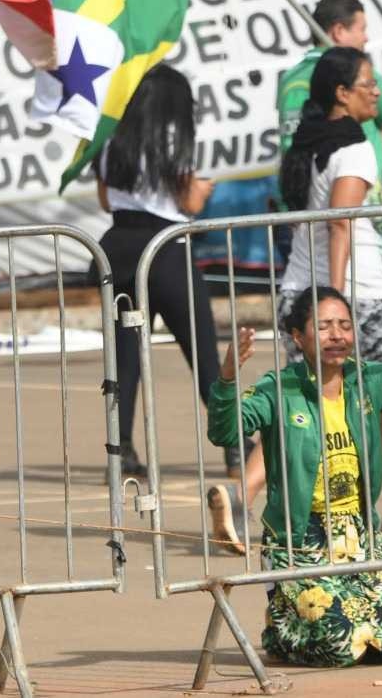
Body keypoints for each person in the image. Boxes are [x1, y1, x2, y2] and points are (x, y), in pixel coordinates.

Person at [208, 48, 382, 556]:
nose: (376, 92)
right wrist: (335, 301)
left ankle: (242, 493)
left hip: (299, 289)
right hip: (352, 294)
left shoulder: (308, 145)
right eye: (367, 83)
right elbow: (339, 222)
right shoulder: (355, 149)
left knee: (302, 403)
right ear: (342, 93)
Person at [208, 286, 382, 667]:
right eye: (323, 327)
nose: (336, 335)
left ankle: (287, 622)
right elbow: (225, 432)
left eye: (344, 325)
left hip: (358, 533)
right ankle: (285, 627)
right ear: (298, 336)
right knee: (338, 646)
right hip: (299, 537)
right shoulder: (278, 389)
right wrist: (225, 381)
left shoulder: (372, 380)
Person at [89, 63, 251, 481]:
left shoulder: (110, 139)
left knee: (124, 359)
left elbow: (107, 201)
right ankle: (235, 446)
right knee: (203, 354)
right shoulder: (173, 138)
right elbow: (189, 204)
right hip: (166, 249)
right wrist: (200, 190)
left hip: (120, 247)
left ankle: (120, 449)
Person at [278, 0, 382, 364]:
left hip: (299, 269)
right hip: (361, 259)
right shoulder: (354, 99)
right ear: (338, 31)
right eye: (361, 29)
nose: (375, 92)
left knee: (320, 392)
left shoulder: (292, 85)